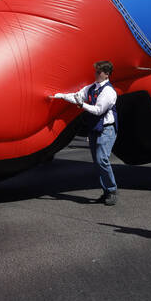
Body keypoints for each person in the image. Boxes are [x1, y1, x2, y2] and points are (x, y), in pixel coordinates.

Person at [52, 60, 119, 205]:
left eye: (98, 72)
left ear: (106, 74)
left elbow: (98, 110)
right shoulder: (91, 88)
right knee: (97, 162)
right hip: (94, 128)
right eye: (95, 71)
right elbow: (77, 96)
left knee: (102, 159)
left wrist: (82, 105)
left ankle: (112, 190)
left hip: (106, 129)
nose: (95, 74)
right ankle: (106, 191)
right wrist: (62, 96)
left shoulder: (108, 91)